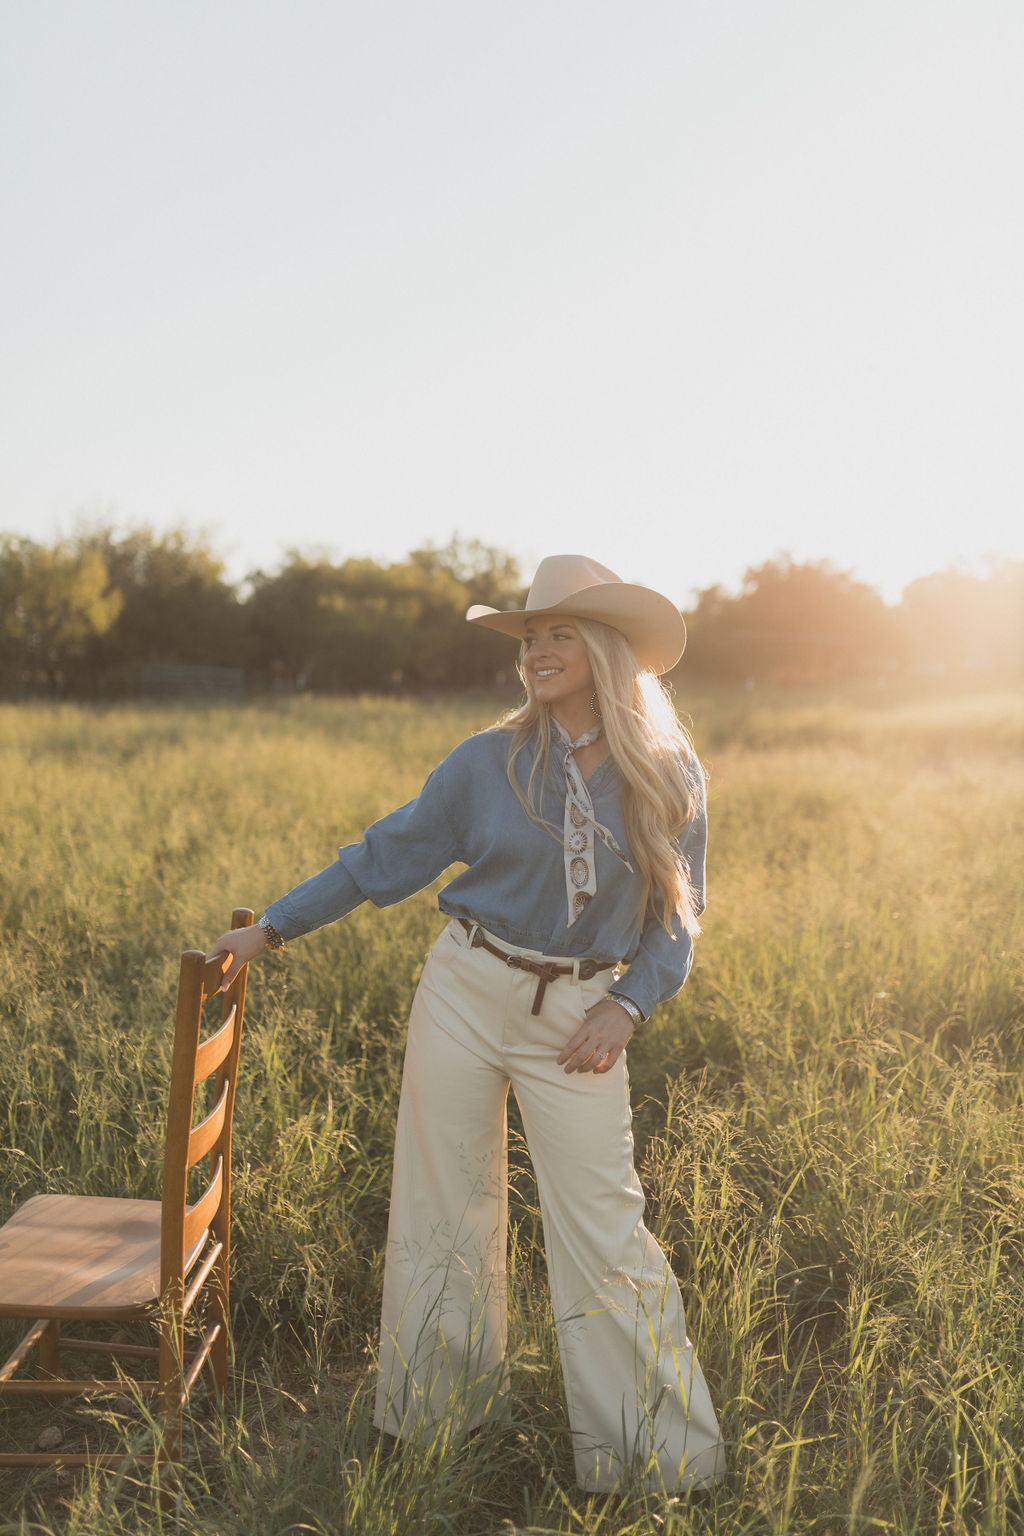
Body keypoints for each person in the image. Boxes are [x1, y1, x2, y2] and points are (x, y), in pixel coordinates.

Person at [209, 554, 726, 1493]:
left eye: (558, 633)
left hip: (580, 1013)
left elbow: (676, 920)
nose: (537, 651)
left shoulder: (668, 771)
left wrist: (627, 1003)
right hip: (464, 988)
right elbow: (384, 856)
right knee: (444, 1205)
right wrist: (273, 928)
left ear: (607, 648)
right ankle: (439, 1424)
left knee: (604, 1226)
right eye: (530, 637)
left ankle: (654, 1457)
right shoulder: (485, 761)